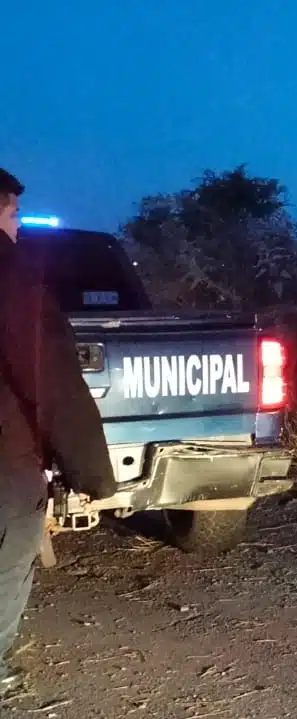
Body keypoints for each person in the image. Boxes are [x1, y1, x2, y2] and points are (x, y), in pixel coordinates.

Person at [0, 167, 118, 694]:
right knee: (6, 561)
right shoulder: (11, 278)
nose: (18, 225)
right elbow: (51, 380)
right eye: (12, 212)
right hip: (5, 463)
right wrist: (94, 472)